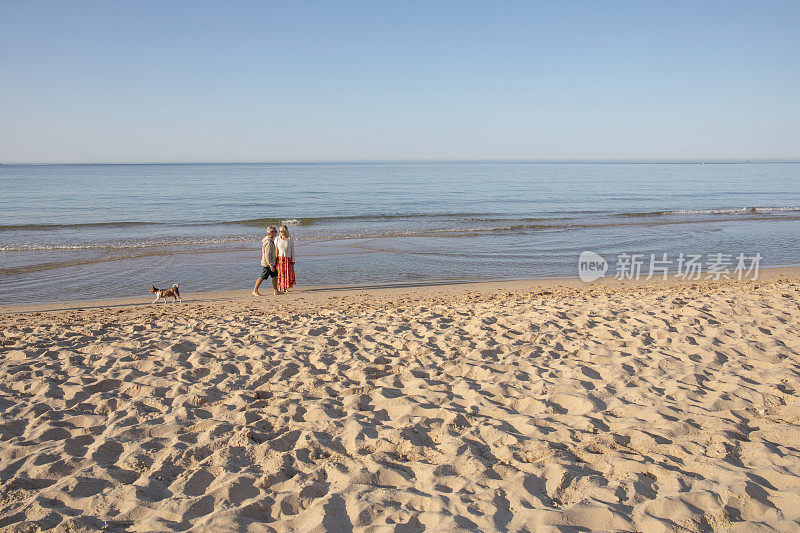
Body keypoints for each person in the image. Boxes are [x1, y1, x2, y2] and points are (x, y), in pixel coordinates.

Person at [253, 225, 279, 296]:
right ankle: (255, 290)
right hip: (267, 264)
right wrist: (271, 265)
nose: (276, 232)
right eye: (275, 231)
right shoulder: (268, 242)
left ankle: (276, 290)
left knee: (275, 276)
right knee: (262, 277)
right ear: (271, 233)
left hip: (271, 263)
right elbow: (267, 256)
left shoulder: (271, 240)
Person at [275, 225, 295, 293]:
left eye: (282, 231)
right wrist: (274, 259)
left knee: (287, 273)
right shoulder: (277, 239)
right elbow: (275, 249)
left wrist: (293, 260)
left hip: (287, 258)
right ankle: (280, 288)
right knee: (280, 273)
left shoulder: (290, 239)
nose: (281, 232)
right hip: (279, 258)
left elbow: (292, 250)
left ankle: (286, 288)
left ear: (286, 231)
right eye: (280, 231)